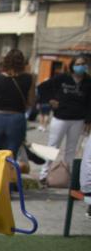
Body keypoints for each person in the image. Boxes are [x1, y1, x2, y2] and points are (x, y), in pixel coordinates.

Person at [37, 56, 91, 186]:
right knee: (52, 146)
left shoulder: (89, 81)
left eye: (83, 64)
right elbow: (42, 87)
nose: (81, 66)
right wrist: (50, 100)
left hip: (78, 119)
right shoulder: (62, 78)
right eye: (78, 64)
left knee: (71, 150)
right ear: (72, 66)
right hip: (60, 117)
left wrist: (88, 121)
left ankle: (68, 177)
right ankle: (43, 174)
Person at [0, 49, 34, 160]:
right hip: (16, 119)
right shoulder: (29, 79)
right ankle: (6, 177)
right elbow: (31, 102)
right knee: (10, 156)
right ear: (22, 63)